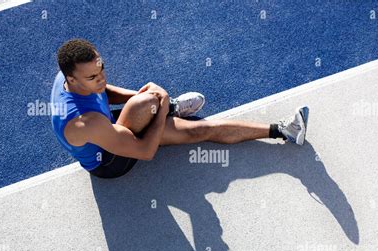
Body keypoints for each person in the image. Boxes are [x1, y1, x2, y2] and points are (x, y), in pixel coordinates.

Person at [51, 38, 308, 179]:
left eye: (101, 68)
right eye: (92, 77)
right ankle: (168, 108)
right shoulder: (84, 123)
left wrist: (148, 96)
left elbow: (103, 92)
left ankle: (284, 131)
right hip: (109, 160)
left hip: (110, 125)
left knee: (154, 104)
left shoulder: (72, 78)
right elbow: (145, 151)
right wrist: (159, 110)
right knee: (191, 128)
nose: (102, 78)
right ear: (71, 79)